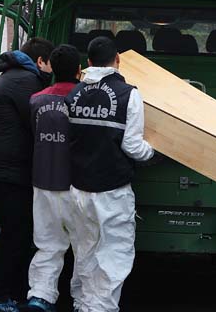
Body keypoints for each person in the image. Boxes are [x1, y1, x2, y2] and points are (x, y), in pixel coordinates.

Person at [66, 36, 154, 312]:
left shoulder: (73, 94)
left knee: (85, 251)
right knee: (113, 256)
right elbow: (132, 145)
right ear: (117, 60)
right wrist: (153, 153)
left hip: (79, 189)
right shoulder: (130, 94)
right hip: (112, 191)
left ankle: (83, 304)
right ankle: (100, 308)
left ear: (88, 62)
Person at [0, 38, 53, 312]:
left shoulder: (14, 77)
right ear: (40, 61)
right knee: (15, 233)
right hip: (2, 174)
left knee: (18, 231)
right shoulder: (26, 83)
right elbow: (40, 123)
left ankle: (14, 292)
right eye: (50, 63)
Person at [26, 45, 83, 312]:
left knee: (47, 244)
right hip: (77, 184)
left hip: (43, 180)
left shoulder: (36, 100)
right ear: (79, 70)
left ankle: (40, 295)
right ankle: (83, 301)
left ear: (50, 67)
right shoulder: (84, 100)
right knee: (83, 247)